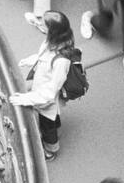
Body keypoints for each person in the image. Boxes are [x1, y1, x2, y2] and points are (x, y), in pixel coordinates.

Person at [8, 11, 76, 160]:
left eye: (43, 25)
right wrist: (31, 60)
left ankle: (51, 149)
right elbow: (43, 57)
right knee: (52, 120)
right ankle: (57, 130)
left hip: (46, 99)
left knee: (47, 125)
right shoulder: (50, 43)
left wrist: (27, 99)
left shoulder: (61, 61)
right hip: (41, 88)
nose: (40, 25)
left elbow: (50, 93)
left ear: (53, 31)